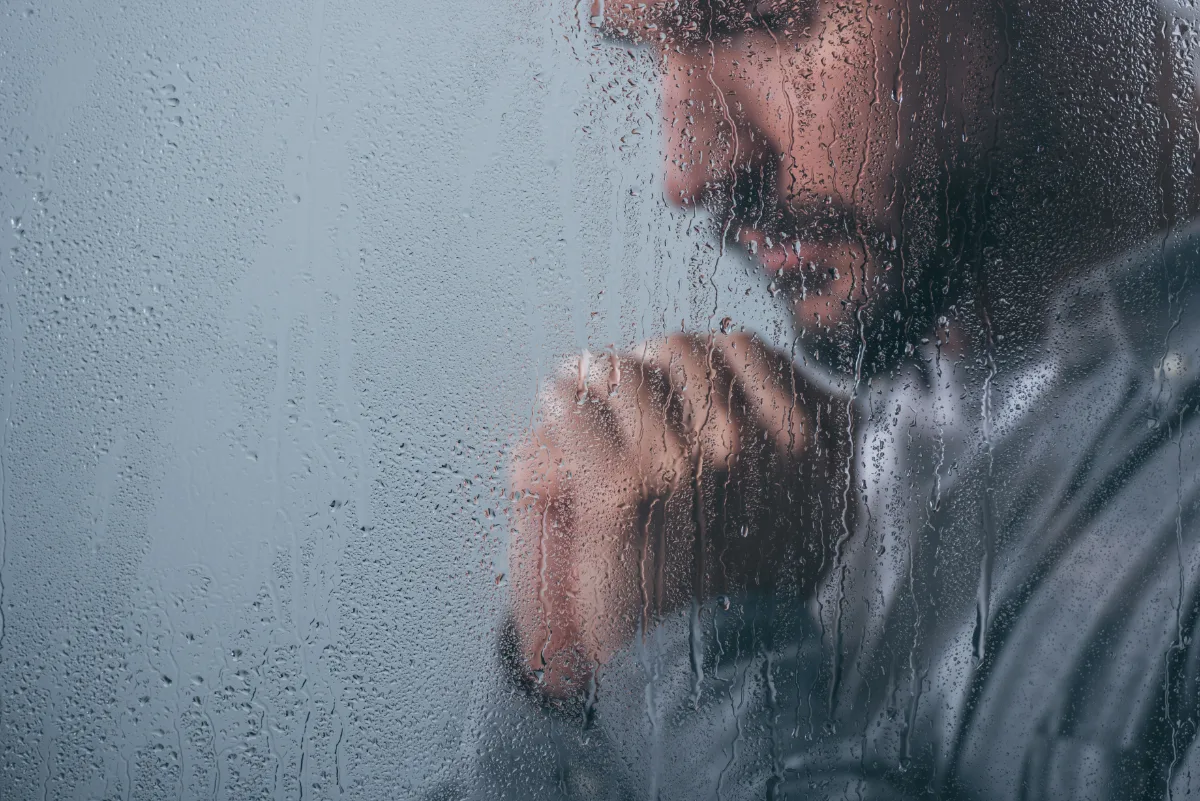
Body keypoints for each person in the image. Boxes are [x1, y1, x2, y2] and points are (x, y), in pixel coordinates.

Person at [429, 1, 1200, 798]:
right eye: (646, 54)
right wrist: (569, 694)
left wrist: (700, 657)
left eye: (756, 21)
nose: (689, 173)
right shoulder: (791, 486)